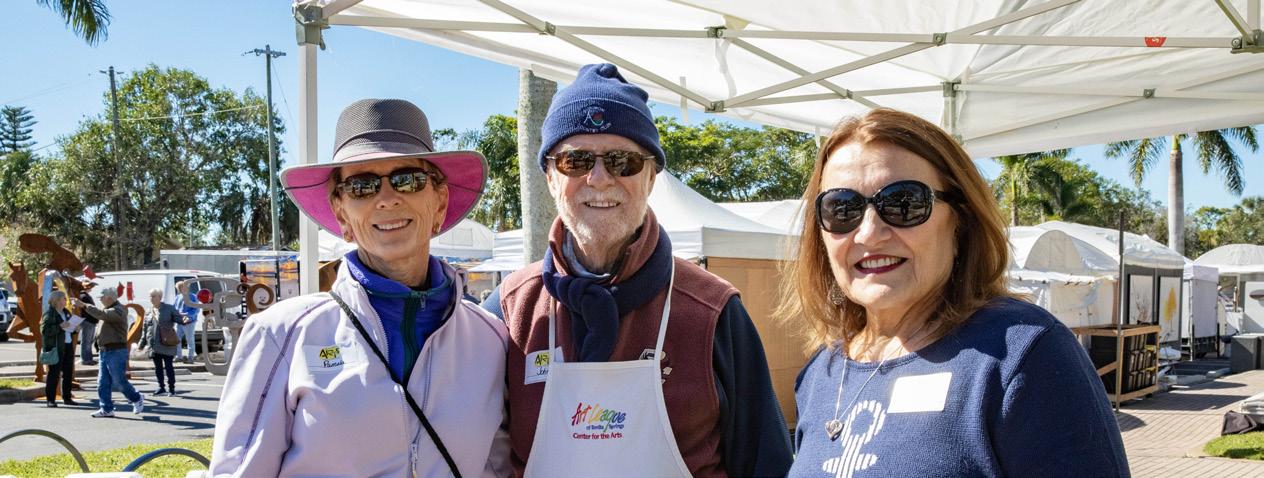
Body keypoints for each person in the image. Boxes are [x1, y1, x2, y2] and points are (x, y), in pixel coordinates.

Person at [779, 109, 1129, 477]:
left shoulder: (1023, 355)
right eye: (842, 208)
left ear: (960, 221)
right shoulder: (821, 374)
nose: (868, 233)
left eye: (903, 203)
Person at [483, 63, 792, 477]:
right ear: (550, 178)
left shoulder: (712, 312)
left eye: (622, 161)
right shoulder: (509, 311)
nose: (599, 178)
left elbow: (767, 464)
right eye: (576, 161)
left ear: (651, 177)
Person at [210, 99, 509, 476]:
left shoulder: (491, 340)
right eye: (362, 186)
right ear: (341, 214)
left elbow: (496, 469)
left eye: (407, 179)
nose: (386, 199)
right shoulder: (280, 335)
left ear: (439, 201)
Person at [76, 287, 144, 418]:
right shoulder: (108, 309)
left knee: (118, 381)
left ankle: (136, 397)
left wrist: (84, 305)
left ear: (109, 298)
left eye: (102, 297)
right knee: (102, 382)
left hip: (116, 351)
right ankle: (106, 408)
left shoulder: (119, 310)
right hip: (105, 351)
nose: (100, 300)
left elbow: (103, 315)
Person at [139, 288, 186, 397]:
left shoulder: (169, 308)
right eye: (150, 296)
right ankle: (161, 387)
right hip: (154, 344)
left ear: (160, 297)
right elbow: (145, 329)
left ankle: (171, 389)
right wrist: (141, 344)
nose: (151, 298)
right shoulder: (148, 311)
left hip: (167, 343)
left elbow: (178, 319)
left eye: (153, 296)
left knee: (169, 366)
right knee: (158, 368)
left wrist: (184, 320)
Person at [41, 290, 79, 407]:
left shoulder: (66, 312)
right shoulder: (50, 314)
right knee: (54, 373)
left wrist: (75, 329)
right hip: (56, 348)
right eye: (63, 298)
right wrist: (59, 327)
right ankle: (50, 400)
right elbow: (45, 331)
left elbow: (69, 328)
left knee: (68, 373)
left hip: (68, 345)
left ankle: (67, 398)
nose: (65, 300)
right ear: (57, 300)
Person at [172, 280, 199, 363]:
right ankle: (178, 356)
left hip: (189, 322)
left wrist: (186, 314)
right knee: (177, 339)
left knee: (190, 340)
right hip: (179, 322)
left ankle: (190, 357)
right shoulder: (178, 297)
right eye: (178, 288)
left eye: (180, 288)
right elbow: (174, 308)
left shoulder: (193, 297)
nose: (179, 290)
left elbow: (196, 310)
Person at [77, 281, 98, 365]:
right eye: (91, 286)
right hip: (88, 320)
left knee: (88, 341)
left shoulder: (84, 296)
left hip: (90, 320)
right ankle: (86, 359)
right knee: (86, 341)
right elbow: (87, 309)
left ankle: (88, 358)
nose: (92, 288)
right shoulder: (84, 296)